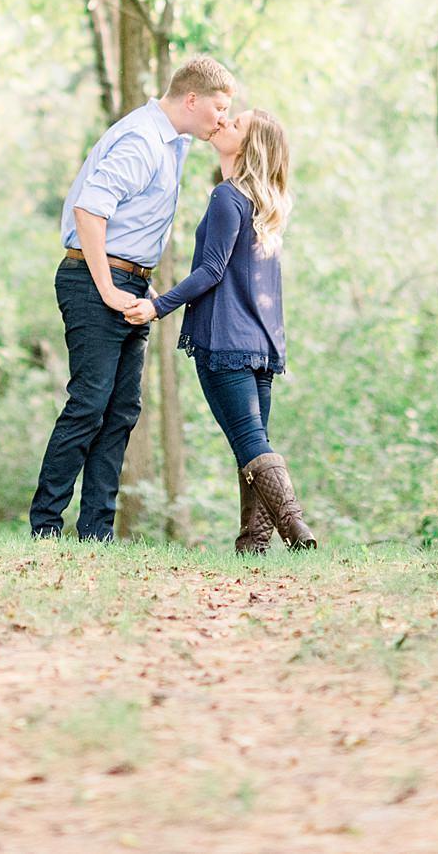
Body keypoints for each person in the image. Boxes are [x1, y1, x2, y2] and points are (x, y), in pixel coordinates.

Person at [27, 54, 237, 541]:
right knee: (88, 404)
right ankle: (45, 529)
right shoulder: (142, 139)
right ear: (192, 99)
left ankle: (96, 533)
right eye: (220, 107)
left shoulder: (174, 141)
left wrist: (140, 281)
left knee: (121, 410)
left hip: (130, 283)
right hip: (94, 281)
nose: (223, 119)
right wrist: (108, 287)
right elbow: (90, 211)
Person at [147, 109, 315, 552]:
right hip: (261, 345)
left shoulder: (228, 197)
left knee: (250, 442)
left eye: (235, 124)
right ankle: (252, 545)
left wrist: (157, 306)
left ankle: (296, 529)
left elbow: (210, 271)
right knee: (253, 444)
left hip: (226, 342)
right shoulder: (265, 205)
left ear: (247, 146)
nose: (224, 124)